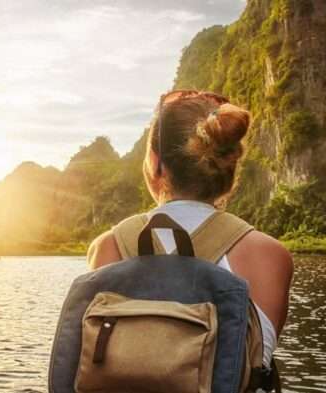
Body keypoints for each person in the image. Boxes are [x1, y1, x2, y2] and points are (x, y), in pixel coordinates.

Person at [86, 90, 293, 367]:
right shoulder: (269, 255)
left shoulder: (108, 247)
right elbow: (255, 365)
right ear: (229, 167)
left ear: (156, 164)